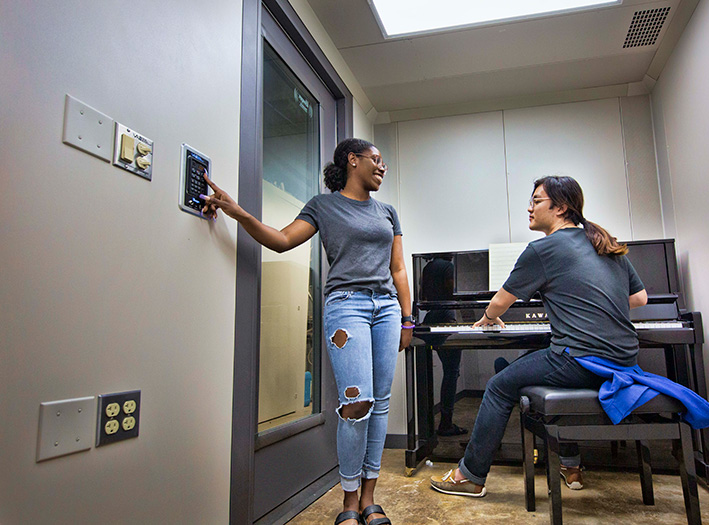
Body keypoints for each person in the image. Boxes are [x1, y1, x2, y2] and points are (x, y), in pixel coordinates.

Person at [201, 138, 412, 525]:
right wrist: (237, 213)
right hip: (346, 304)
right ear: (353, 160)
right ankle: (349, 503)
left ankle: (369, 498)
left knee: (380, 403)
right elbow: (282, 241)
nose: (382, 167)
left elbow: (398, 268)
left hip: (386, 309)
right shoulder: (323, 205)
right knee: (357, 402)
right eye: (376, 160)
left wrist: (407, 317)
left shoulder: (388, 212)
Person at [430, 175, 647, 497]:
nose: (529, 208)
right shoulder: (605, 242)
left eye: (536, 201)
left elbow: (501, 301)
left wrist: (489, 318)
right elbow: (639, 299)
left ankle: (470, 476)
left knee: (500, 385)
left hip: (581, 361)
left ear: (560, 207)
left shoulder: (544, 249)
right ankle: (570, 462)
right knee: (538, 372)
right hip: (624, 361)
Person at [420, 256, 468, 436]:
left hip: (431, 317)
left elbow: (423, 295)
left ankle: (426, 428)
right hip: (446, 317)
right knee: (451, 372)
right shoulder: (447, 265)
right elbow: (450, 293)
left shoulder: (427, 267)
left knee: (432, 372)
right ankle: (446, 424)